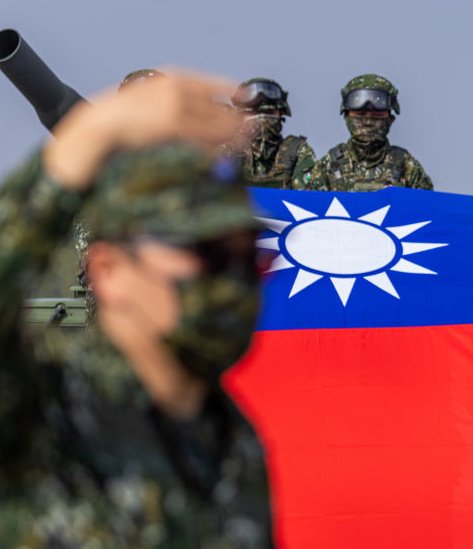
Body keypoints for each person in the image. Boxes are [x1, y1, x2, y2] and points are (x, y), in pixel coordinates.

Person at [0, 74, 274, 547]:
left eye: (247, 255)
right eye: (204, 254)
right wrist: (86, 140)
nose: (231, 279)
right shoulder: (43, 412)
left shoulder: (232, 444)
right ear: (108, 270)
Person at [302, 73, 433, 191]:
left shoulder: (406, 166)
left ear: (389, 118)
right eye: (360, 114)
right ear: (347, 116)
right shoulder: (329, 165)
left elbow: (428, 211)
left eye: (377, 115)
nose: (368, 122)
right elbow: (307, 208)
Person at [228, 77, 317, 188]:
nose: (262, 119)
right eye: (254, 113)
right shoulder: (226, 152)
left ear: (281, 115)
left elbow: (308, 195)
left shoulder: (298, 152)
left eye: (269, 112)